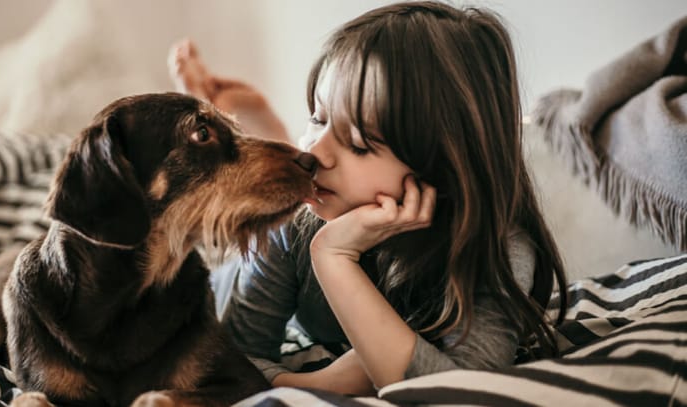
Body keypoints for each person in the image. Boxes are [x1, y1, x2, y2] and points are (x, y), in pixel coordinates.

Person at [170, 1, 568, 396]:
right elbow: (234, 360)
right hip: (223, 277)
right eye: (318, 118)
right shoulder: (294, 223)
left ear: (444, 168)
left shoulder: (497, 248)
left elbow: (457, 392)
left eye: (358, 144)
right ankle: (263, 137)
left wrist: (335, 258)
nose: (317, 154)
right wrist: (315, 384)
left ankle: (271, 137)